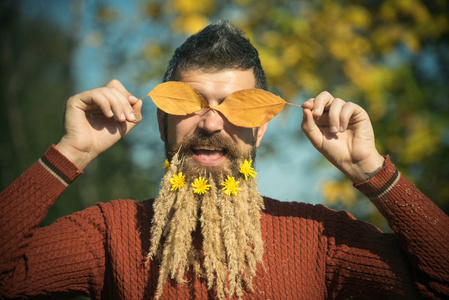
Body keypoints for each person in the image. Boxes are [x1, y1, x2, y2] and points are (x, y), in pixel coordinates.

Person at [1, 20, 448, 300]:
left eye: (236, 106)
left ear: (262, 127)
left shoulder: (320, 237)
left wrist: (372, 172)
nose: (212, 124)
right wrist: (69, 154)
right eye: (189, 104)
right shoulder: (108, 233)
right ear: (161, 123)